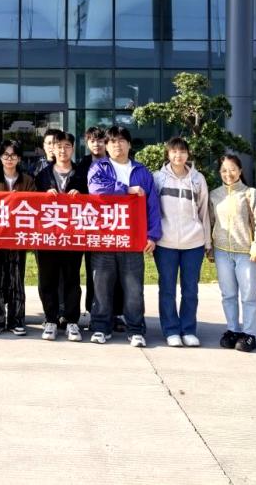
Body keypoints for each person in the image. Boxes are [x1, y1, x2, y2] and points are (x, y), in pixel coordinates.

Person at [87, 125, 162, 347]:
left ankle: (136, 329)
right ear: (106, 146)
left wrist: (152, 235)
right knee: (101, 286)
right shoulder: (99, 167)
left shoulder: (142, 171)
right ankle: (101, 327)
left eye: (121, 140)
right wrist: (126, 189)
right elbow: (96, 190)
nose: (116, 145)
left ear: (129, 144)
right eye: (111, 141)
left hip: (133, 239)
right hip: (104, 238)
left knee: (134, 289)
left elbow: (152, 205)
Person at [153, 137, 210, 347]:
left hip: (193, 243)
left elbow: (204, 212)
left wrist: (207, 242)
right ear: (168, 154)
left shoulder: (198, 179)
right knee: (167, 288)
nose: (178, 155)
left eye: (182, 151)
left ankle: (188, 330)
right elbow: (152, 210)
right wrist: (152, 237)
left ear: (188, 154)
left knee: (190, 290)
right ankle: (171, 330)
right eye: (174, 151)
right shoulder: (158, 178)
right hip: (165, 243)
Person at [209, 153, 256, 353]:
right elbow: (210, 222)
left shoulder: (250, 193)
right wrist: (210, 247)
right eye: (224, 170)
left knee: (248, 295)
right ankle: (232, 330)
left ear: (240, 171)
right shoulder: (215, 195)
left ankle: (250, 333)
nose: (228, 174)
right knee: (228, 294)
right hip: (222, 252)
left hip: (246, 252)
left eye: (232, 169)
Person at [34, 131, 87, 342]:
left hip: (73, 235)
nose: (63, 150)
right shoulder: (42, 175)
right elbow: (30, 204)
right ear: (52, 149)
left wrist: (82, 197)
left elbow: (95, 202)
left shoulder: (82, 175)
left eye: (67, 146)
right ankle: (51, 320)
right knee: (47, 279)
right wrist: (43, 197)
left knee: (72, 278)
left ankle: (72, 321)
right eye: (59, 146)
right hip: (47, 235)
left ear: (72, 149)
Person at [0, 138, 35, 336]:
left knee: (16, 279)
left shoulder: (27, 180)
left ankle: (16, 320)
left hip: (18, 237)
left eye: (13, 155)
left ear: (19, 158)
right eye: (5, 155)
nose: (9, 159)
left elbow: (34, 206)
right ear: (0, 158)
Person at [75, 125, 109, 329]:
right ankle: (91, 309)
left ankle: (114, 312)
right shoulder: (83, 164)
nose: (97, 144)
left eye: (100, 140)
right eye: (92, 141)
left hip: (111, 224)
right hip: (88, 225)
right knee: (91, 269)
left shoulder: (115, 163)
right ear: (87, 143)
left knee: (110, 271)